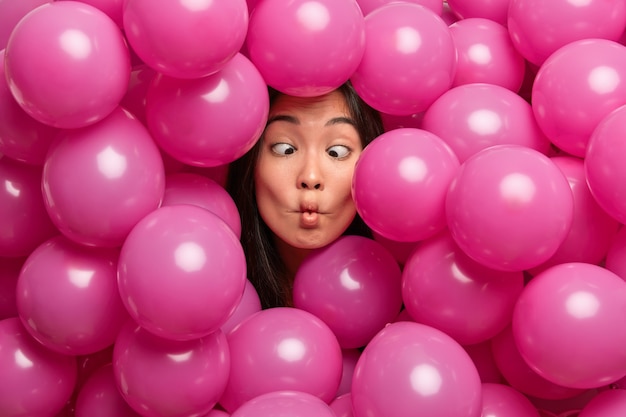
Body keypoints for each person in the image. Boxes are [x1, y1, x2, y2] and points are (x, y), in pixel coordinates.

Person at [227, 82, 384, 308]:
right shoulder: (217, 299)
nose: (310, 176)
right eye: (285, 149)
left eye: (336, 152)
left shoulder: (399, 301)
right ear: (250, 164)